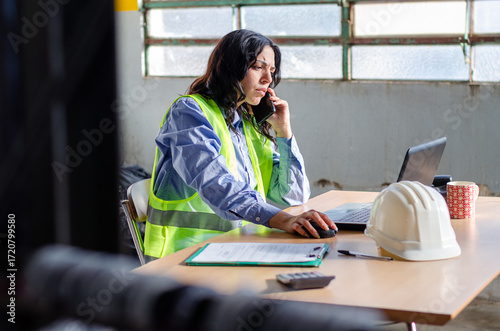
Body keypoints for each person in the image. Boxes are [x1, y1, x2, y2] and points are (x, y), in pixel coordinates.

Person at [144, 29, 336, 260]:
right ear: (231, 67)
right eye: (258, 67)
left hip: (238, 250)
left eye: (272, 71)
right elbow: (216, 184)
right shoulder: (188, 112)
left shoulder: (246, 123)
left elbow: (292, 196)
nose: (268, 79)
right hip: (184, 259)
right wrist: (284, 219)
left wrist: (283, 131)